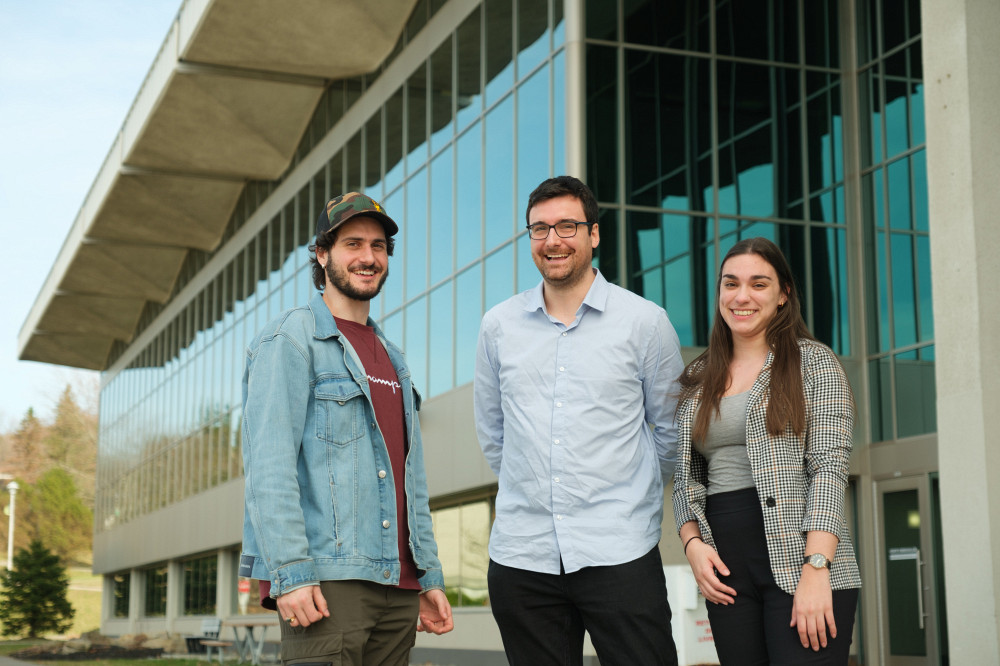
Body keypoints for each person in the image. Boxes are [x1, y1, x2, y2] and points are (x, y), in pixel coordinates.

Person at [474, 175, 683, 665]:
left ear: (593, 234)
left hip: (620, 549)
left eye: (567, 226)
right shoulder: (497, 326)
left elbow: (672, 431)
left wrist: (626, 496)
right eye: (540, 229)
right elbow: (493, 432)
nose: (553, 240)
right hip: (522, 557)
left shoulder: (644, 321)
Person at [239, 192, 453, 666]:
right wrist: (290, 573)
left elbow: (408, 480)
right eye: (352, 243)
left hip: (398, 588)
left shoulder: (393, 358)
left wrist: (428, 576)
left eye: (378, 247)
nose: (368, 257)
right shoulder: (291, 339)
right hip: (327, 584)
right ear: (322, 254)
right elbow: (269, 468)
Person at [672, 237, 861, 665]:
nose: (742, 296)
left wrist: (816, 569)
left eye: (759, 284)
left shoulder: (814, 363)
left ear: (783, 294)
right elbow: (684, 477)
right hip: (726, 573)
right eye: (731, 283)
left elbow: (828, 468)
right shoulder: (698, 376)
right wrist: (693, 545)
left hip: (801, 561)